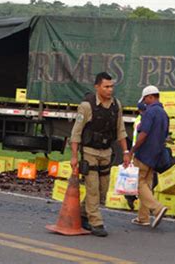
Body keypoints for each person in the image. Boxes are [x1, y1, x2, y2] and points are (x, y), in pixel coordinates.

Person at [70, 72, 130, 237]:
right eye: (106, 86)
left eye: (112, 86)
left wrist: (126, 152)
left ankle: (82, 214)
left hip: (106, 152)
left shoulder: (116, 106)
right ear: (97, 87)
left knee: (102, 191)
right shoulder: (87, 106)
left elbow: (121, 130)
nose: (110, 90)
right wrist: (74, 156)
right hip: (89, 152)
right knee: (93, 188)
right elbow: (76, 133)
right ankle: (96, 223)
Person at [127, 85, 169, 229]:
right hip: (155, 155)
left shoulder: (150, 112)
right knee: (147, 185)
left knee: (139, 183)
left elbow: (143, 134)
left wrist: (132, 150)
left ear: (151, 97)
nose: (144, 103)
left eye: (145, 99)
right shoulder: (164, 113)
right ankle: (143, 218)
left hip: (144, 154)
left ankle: (157, 209)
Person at [125, 101, 146, 210]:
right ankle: (131, 196)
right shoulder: (142, 121)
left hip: (137, 151)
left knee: (138, 179)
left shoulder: (139, 119)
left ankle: (132, 197)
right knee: (141, 179)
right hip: (139, 152)